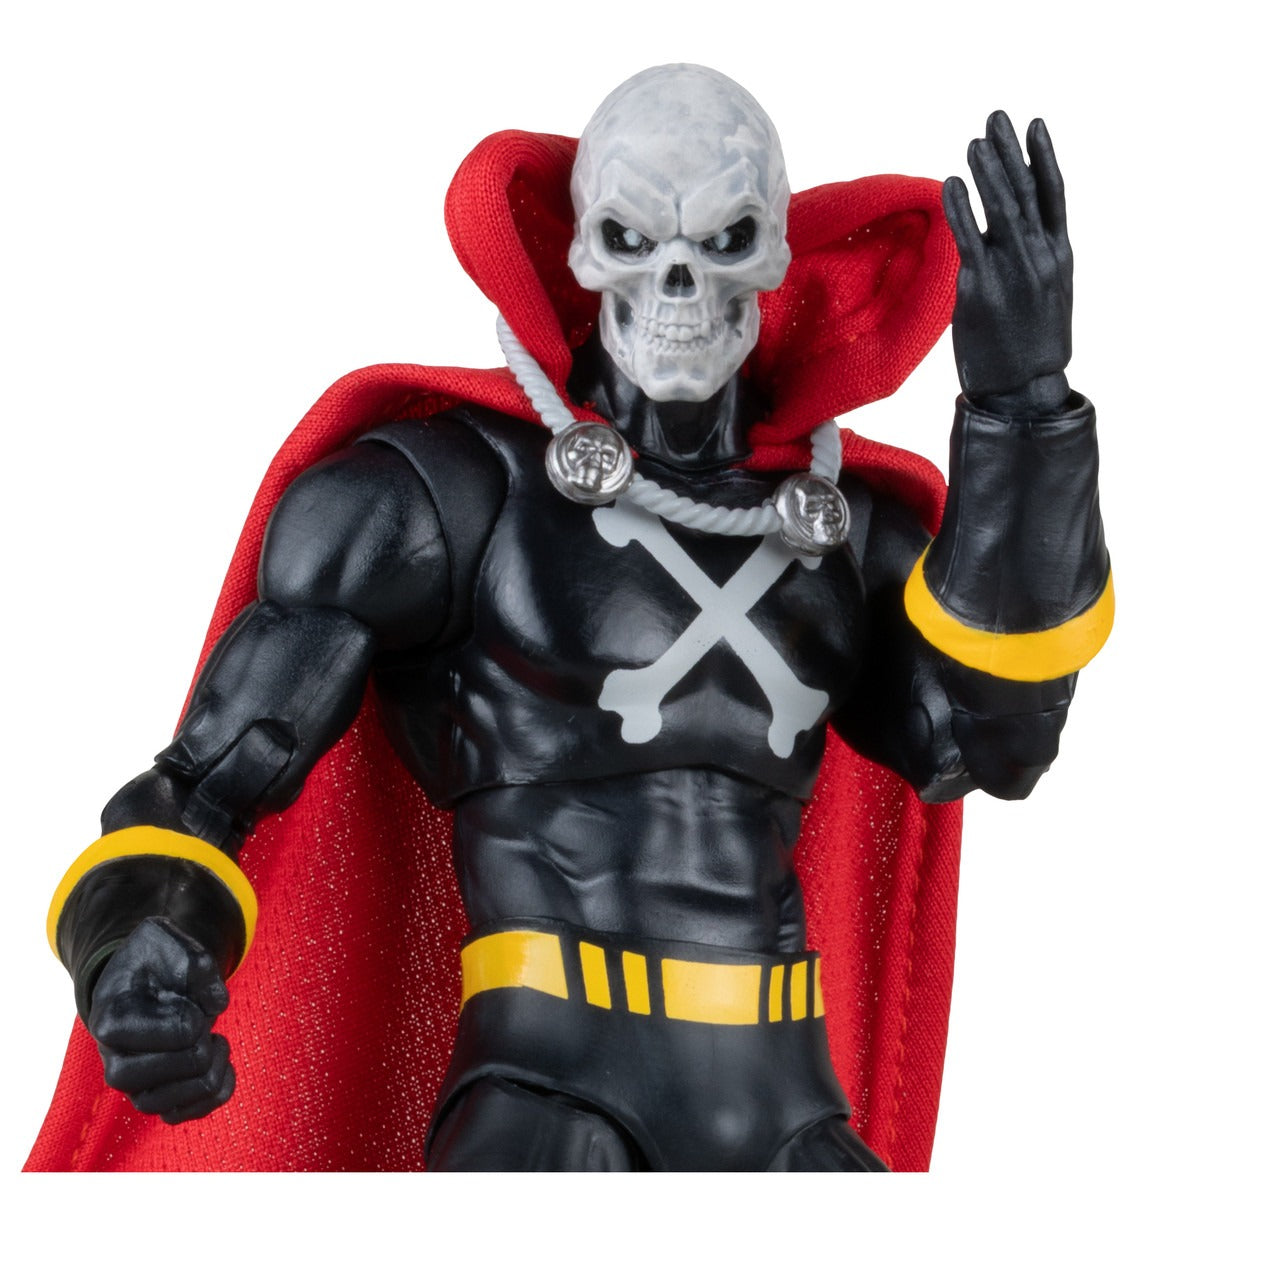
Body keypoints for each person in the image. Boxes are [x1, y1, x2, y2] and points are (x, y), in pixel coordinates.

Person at [35, 65, 1109, 1172]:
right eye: (632, 240)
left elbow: (991, 742)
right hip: (551, 1096)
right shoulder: (448, 494)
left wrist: (1022, 416)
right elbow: (207, 781)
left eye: (726, 241)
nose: (679, 283)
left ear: (775, 259)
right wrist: (136, 947)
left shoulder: (847, 530)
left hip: (788, 1100)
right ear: (583, 257)